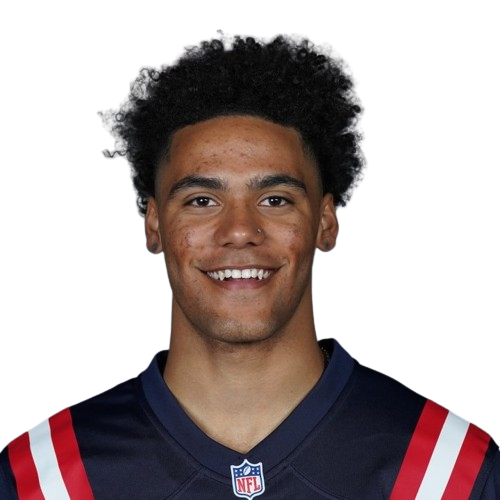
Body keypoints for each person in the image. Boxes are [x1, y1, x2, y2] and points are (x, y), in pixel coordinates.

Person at [1, 33, 498, 499]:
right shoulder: (48, 478)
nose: (239, 230)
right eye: (201, 200)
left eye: (275, 199)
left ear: (326, 222)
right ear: (153, 224)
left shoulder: (446, 471)